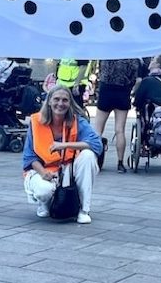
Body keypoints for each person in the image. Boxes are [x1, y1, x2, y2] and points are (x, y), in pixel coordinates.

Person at [22, 85, 102, 224]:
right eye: (56, 99)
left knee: (88, 156)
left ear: (70, 103)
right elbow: (29, 157)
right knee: (43, 190)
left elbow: (97, 144)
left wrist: (65, 145)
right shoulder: (36, 122)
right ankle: (44, 202)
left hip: (67, 169)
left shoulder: (78, 121)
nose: (60, 104)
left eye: (65, 100)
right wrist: (42, 172)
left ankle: (84, 210)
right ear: (49, 102)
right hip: (43, 169)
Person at [93, 59, 140, 173]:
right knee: (120, 130)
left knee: (98, 130)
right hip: (123, 92)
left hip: (106, 91)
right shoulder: (131, 58)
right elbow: (135, 77)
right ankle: (120, 163)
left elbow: (100, 71)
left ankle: (94, 159)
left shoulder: (107, 55)